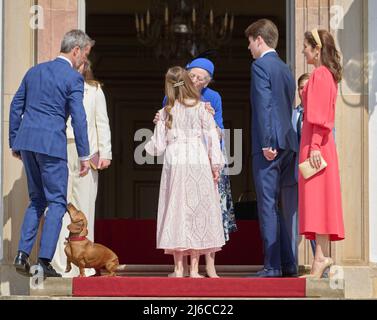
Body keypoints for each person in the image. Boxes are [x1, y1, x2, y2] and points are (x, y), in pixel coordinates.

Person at [9, 29, 93, 277]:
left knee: (36, 201)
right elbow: (79, 118)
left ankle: (23, 254)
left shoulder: (34, 71)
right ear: (75, 50)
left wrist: (15, 141)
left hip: (28, 143)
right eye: (85, 55)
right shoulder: (73, 78)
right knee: (57, 202)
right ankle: (43, 262)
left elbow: (16, 106)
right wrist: (85, 154)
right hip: (52, 146)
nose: (85, 62)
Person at [155, 58, 237, 277]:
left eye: (202, 78)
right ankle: (194, 270)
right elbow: (213, 137)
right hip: (199, 161)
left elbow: (156, 147)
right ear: (187, 79)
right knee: (198, 212)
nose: (197, 80)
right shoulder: (202, 109)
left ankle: (178, 269)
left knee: (177, 211)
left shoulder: (169, 110)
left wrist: (158, 126)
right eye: (194, 76)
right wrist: (216, 164)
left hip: (176, 163)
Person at [245, 19, 298, 277]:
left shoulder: (259, 66)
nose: (248, 48)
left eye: (250, 42)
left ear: (259, 39)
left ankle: (272, 265)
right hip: (289, 143)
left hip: (270, 146)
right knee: (282, 207)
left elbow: (264, 104)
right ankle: (288, 263)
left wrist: (266, 142)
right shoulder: (286, 69)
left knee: (267, 204)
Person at [51, 60, 112, 277]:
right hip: (60, 148)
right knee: (60, 204)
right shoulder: (58, 85)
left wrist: (105, 153)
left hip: (88, 151)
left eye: (83, 64)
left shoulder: (94, 90)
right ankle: (60, 263)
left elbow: (101, 122)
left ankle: (83, 266)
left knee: (84, 204)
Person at [299, 29, 344, 278]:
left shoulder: (320, 75)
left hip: (317, 145)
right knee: (320, 201)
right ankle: (322, 256)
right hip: (318, 142)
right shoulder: (326, 75)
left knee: (317, 201)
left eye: (306, 46)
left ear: (317, 49)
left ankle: (320, 259)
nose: (303, 51)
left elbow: (321, 115)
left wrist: (314, 145)